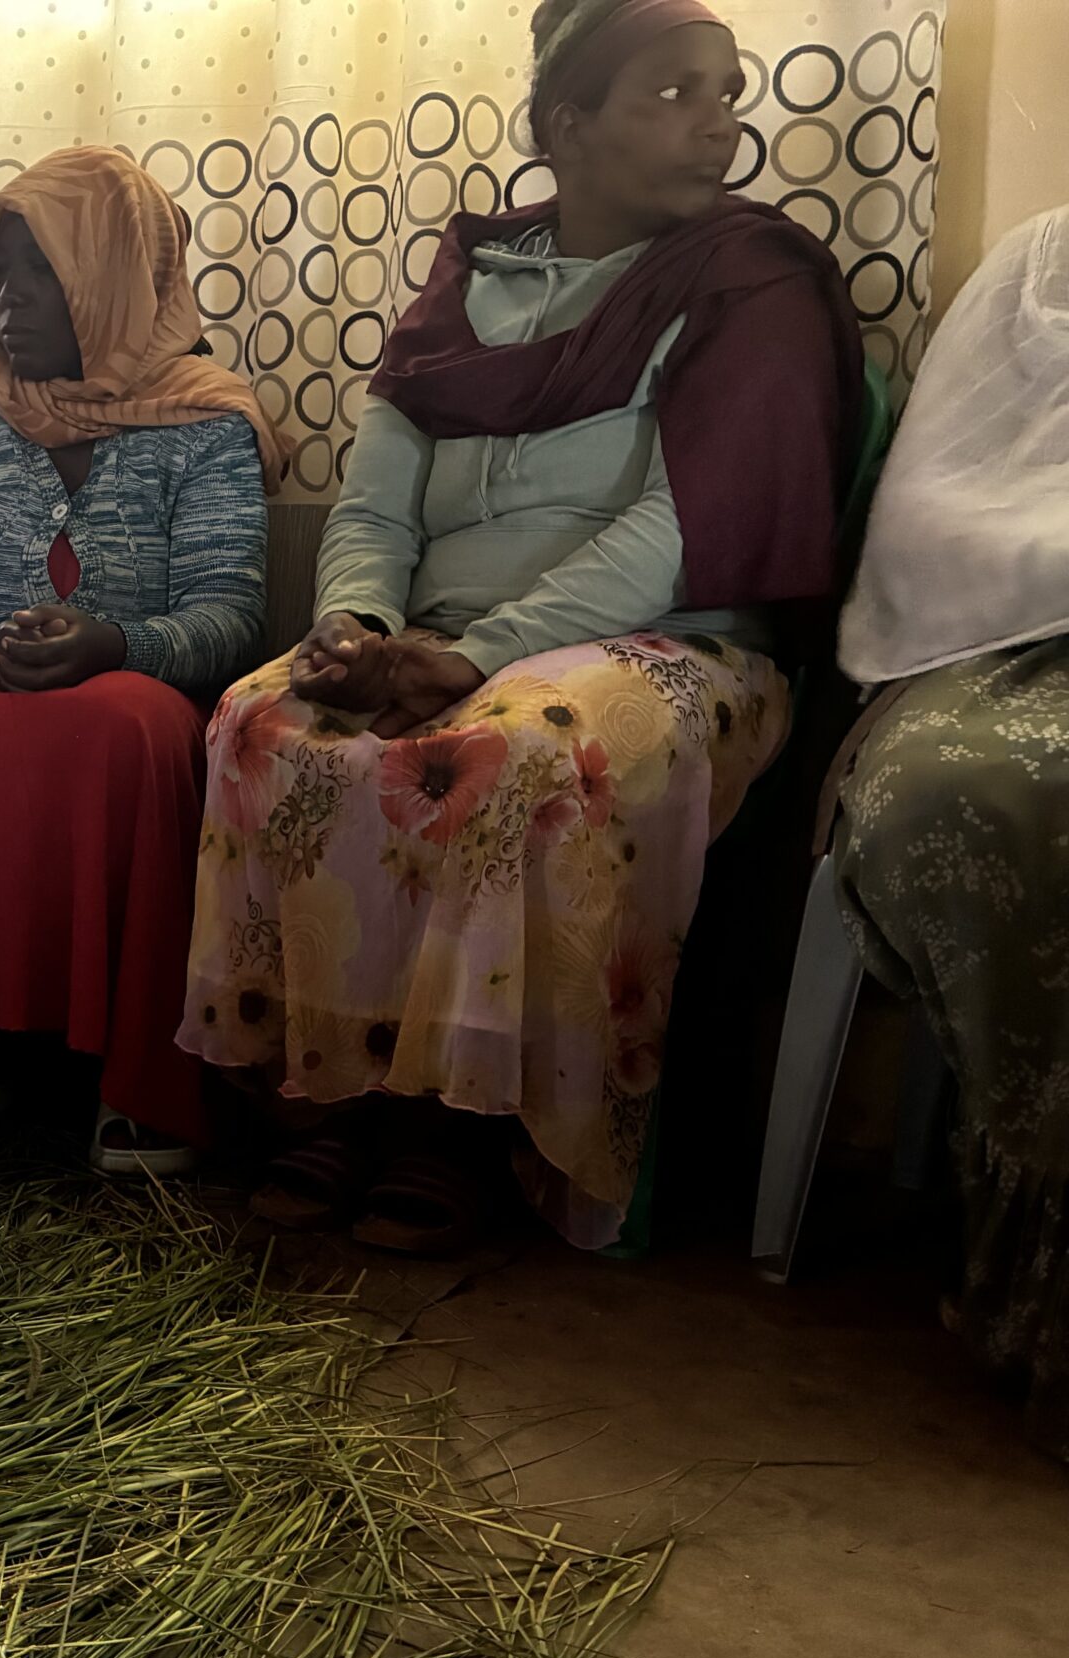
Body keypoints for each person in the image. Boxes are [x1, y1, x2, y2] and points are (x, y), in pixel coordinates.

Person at [178, 0, 862, 1252]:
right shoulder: (463, 290)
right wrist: (352, 629)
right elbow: (374, 508)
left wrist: (474, 654)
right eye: (674, 92)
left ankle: (456, 1125)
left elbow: (680, 525)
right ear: (567, 123)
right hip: (437, 636)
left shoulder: (750, 282)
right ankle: (326, 1086)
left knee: (515, 748)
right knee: (261, 719)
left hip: (673, 640)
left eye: (727, 91)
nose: (719, 122)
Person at [0, 145, 277, 1176]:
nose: (7, 297)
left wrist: (112, 646)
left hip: (126, 694)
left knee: (127, 719)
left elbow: (229, 616)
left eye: (42, 268)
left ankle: (136, 1078)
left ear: (115, 276)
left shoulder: (205, 421)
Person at [833, 207, 1069, 1455]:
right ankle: (1030, 1273)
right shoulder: (1039, 267)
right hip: (992, 644)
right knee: (972, 793)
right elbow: (931, 505)